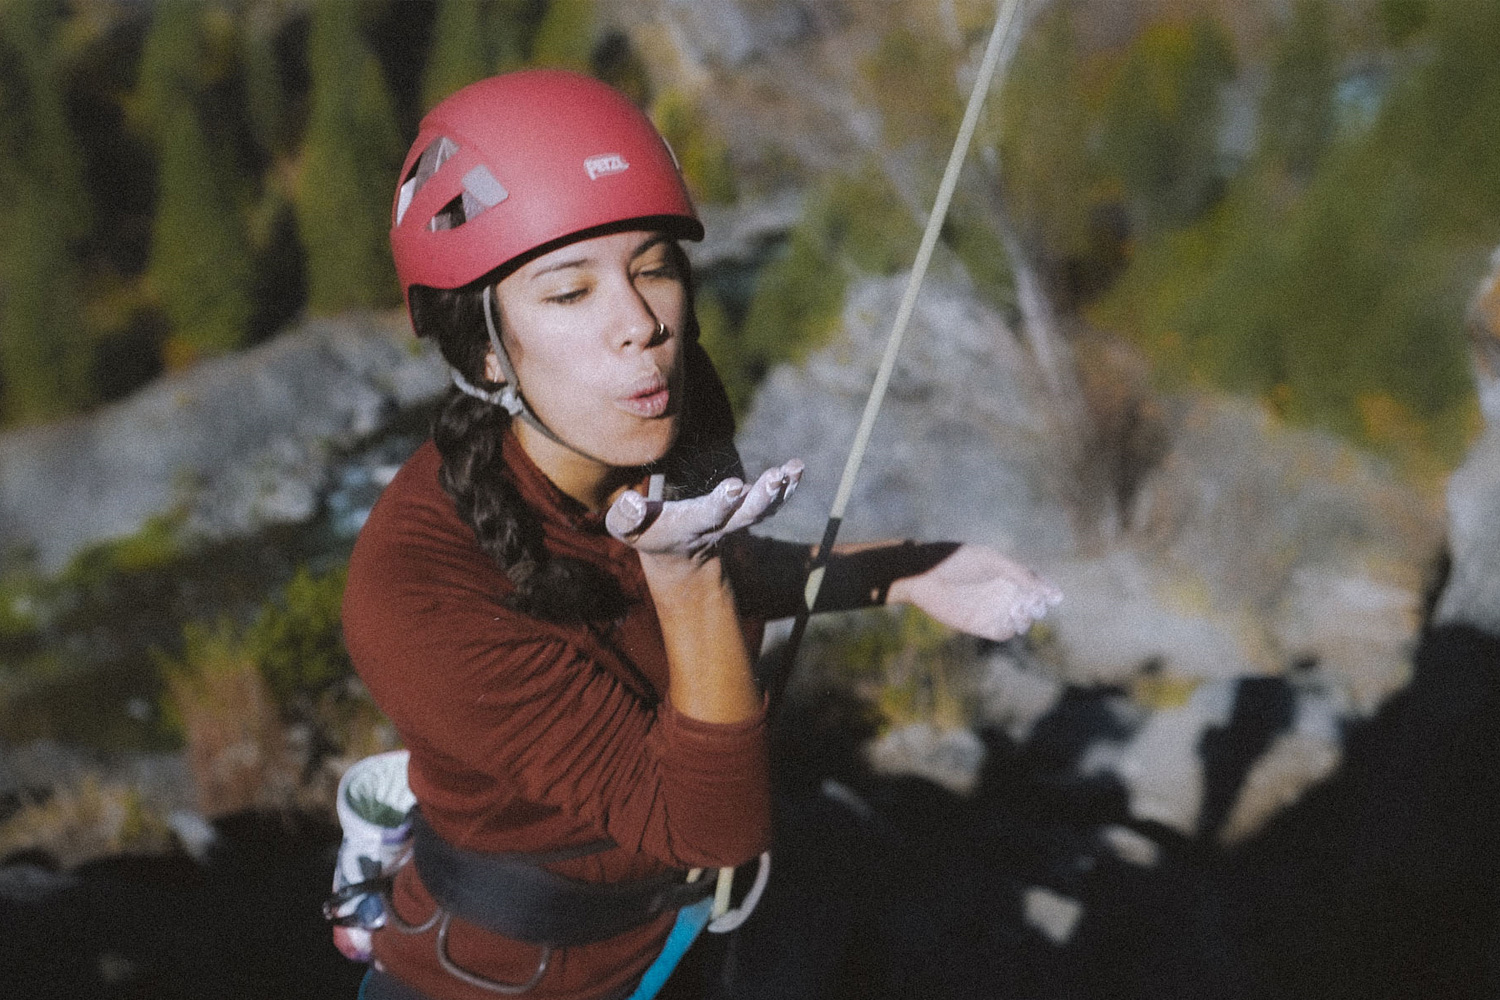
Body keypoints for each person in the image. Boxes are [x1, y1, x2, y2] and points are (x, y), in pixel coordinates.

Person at [341, 69, 1060, 1000]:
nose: (640, 326)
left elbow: (695, 578)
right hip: (505, 978)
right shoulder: (416, 590)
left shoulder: (641, 436)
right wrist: (687, 578)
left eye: (654, 268)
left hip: (674, 937)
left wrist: (911, 572)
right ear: (485, 347)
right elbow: (710, 826)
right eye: (569, 294)